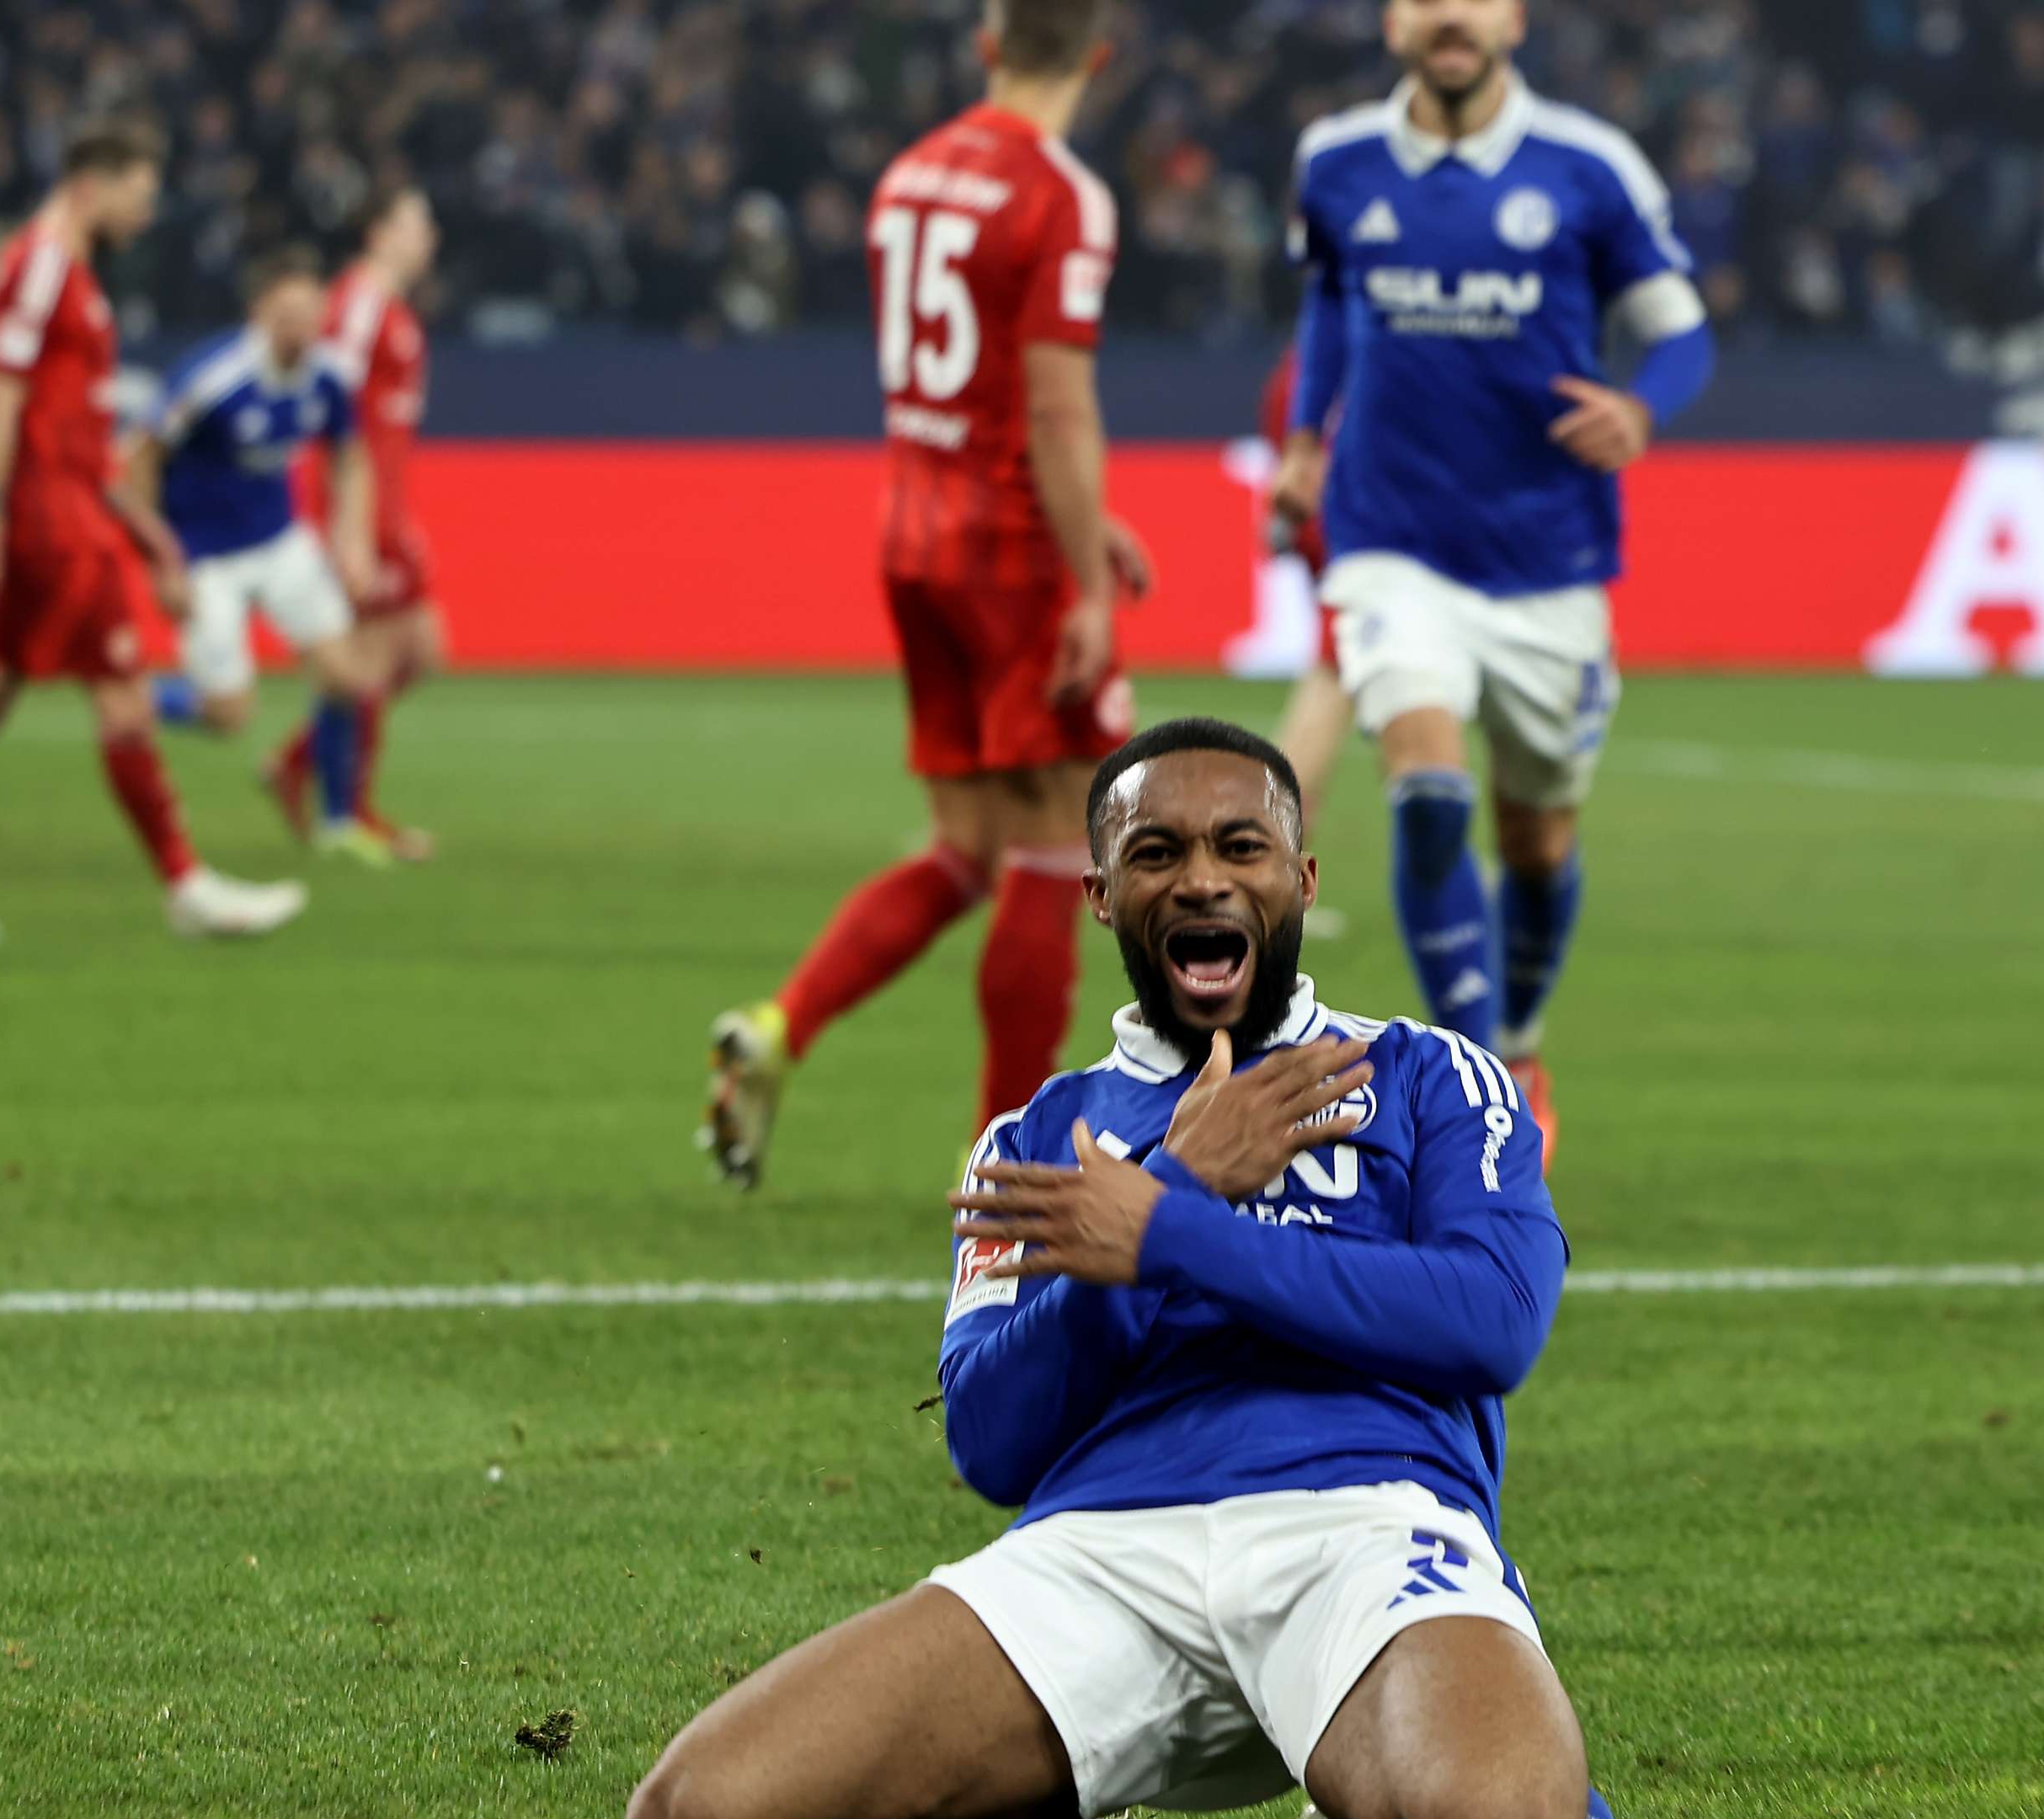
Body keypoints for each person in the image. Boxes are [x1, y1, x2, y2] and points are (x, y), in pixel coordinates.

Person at [632, 717, 1610, 1819]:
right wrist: (1180, 1184)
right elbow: (992, 1442)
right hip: (1103, 1549)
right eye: (1157, 854)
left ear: (1302, 876)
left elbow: (1495, 1322)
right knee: (703, 1803)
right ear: (1100, 894)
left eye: (1242, 848)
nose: (1203, 881)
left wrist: (1167, 1230)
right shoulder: (1034, 1138)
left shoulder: (1431, 1074)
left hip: (1371, 1527)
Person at [699, 0, 1151, 1187]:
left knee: (966, 848)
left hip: (914, 533)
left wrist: (1082, 520)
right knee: (1062, 846)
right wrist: (1088, 575)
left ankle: (781, 1025)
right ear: (1096, 58)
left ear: (990, 43)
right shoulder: (1064, 196)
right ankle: (1010, 1166)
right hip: (1010, 553)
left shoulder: (909, 176)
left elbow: (969, 387)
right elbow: (1054, 406)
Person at [1274, 0, 1716, 1160]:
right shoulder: (1337, 163)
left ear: (1513, 18)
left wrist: (1640, 406)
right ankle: (1484, 1086)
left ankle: (1517, 1035)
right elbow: (1328, 299)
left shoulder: (1588, 167)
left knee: (1537, 843)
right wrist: (1310, 443)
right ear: (1392, 23)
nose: (1449, 16)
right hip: (1390, 544)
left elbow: (1683, 334)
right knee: (1427, 791)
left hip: (1547, 565)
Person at [0, 121, 307, 946]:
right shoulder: (40, 266)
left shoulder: (69, 272)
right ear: (90, 186)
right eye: (139, 194)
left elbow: (77, 430)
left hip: (64, 505)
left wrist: (148, 534)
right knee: (121, 696)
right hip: (52, 522)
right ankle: (187, 886)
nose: (146, 213)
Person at [131, 247, 391, 864]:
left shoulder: (328, 377)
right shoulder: (214, 377)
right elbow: (138, 458)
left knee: (346, 678)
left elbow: (351, 456)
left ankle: (337, 824)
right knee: (227, 716)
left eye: (311, 315)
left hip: (279, 541)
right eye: (287, 317)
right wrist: (162, 561)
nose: (301, 330)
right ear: (259, 314)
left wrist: (352, 537)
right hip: (206, 556)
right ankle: (132, 692)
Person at [279, 186, 444, 859]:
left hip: (386, 506)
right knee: (368, 659)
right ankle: (349, 815)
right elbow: (330, 406)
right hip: (357, 509)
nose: (427, 235)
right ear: (378, 232)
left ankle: (300, 763)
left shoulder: (395, 310)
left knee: (422, 652)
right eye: (415, 222)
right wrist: (349, 525)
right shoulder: (360, 305)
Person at [1260, 341, 1354, 939]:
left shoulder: (1299, 364)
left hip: (1351, 542)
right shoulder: (1383, 332)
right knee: (1322, 707)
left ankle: (1261, 881)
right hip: (1380, 549)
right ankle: (1264, 883)